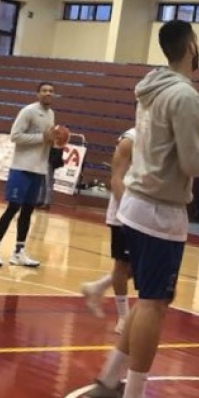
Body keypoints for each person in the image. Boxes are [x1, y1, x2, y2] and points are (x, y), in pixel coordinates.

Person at [81, 20, 199, 398]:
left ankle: (108, 382)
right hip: (159, 210)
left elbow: (171, 150)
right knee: (154, 306)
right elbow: (193, 164)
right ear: (191, 46)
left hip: (137, 205)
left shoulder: (151, 87)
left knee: (147, 302)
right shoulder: (185, 95)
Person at [0, 82, 56, 268]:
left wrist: (56, 142)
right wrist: (42, 138)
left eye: (51, 91)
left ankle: (18, 252)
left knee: (28, 212)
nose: (48, 94)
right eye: (44, 91)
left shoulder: (51, 115)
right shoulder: (28, 111)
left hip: (38, 169)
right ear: (37, 93)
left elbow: (47, 141)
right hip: (21, 168)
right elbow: (15, 136)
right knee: (12, 208)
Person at [81, 127, 136, 334]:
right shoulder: (130, 138)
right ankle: (123, 318)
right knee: (122, 265)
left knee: (139, 267)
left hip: (144, 213)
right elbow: (116, 179)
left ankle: (97, 287)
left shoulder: (161, 139)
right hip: (124, 213)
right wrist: (128, 209)